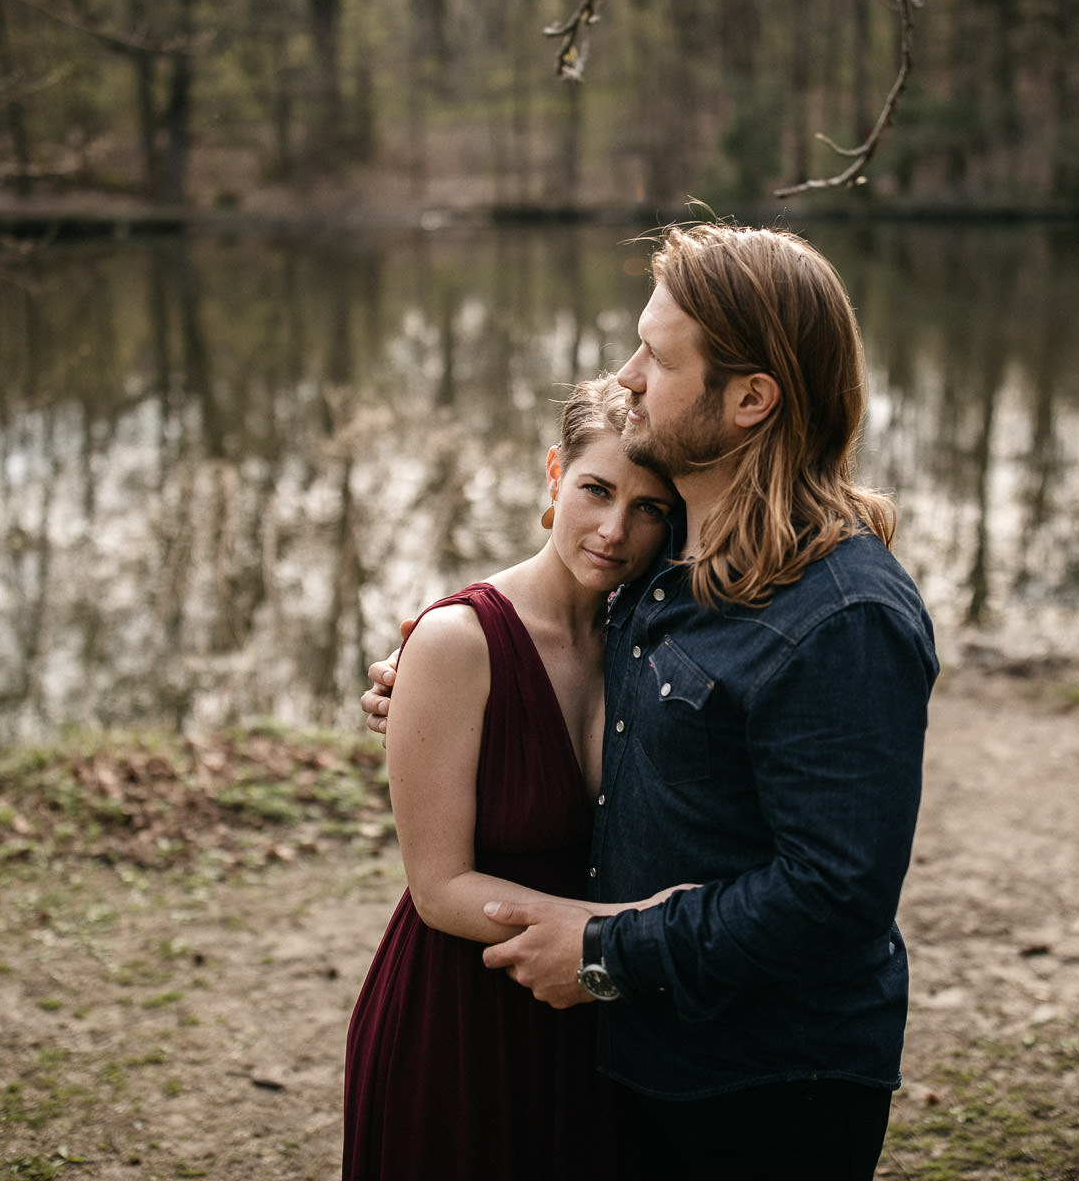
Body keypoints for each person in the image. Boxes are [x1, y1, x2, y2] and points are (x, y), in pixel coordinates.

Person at [363, 223, 938, 1181]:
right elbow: (560, 619)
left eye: (657, 359)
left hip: (763, 1086)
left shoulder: (843, 616)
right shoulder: (668, 559)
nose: (627, 377)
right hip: (626, 1064)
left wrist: (607, 949)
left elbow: (834, 896)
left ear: (750, 399)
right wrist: (440, 667)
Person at [341, 375, 681, 1181]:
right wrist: (630, 931)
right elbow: (438, 888)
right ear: (555, 475)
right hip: (464, 1018)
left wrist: (615, 953)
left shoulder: (648, 636)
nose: (614, 530)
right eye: (596, 490)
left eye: (648, 508)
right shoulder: (457, 641)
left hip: (593, 1013)